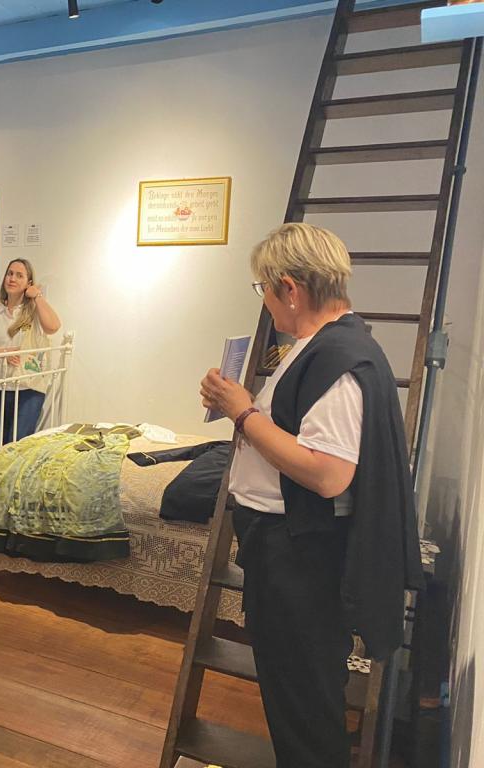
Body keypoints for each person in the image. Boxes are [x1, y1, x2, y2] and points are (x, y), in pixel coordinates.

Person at [199, 223, 422, 768]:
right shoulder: (322, 348)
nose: (266, 301)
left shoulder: (338, 358)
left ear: (291, 289)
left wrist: (242, 413)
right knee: (296, 701)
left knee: (305, 712)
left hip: (299, 560)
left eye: (265, 289)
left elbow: (327, 474)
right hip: (287, 550)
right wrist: (240, 409)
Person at [0, 258, 61, 455]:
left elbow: (53, 326)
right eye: (10, 273)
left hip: (28, 386)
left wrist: (37, 296)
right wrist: (4, 354)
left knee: (19, 443)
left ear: (28, 282)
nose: (12, 279)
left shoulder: (33, 310)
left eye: (19, 275)